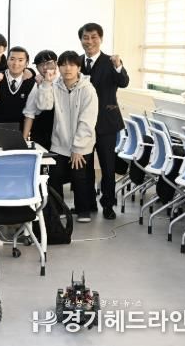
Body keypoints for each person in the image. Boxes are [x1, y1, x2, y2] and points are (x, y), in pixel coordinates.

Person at [37, 51, 98, 223]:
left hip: (82, 143)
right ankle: (59, 209)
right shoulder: (55, 86)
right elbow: (44, 105)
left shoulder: (88, 89)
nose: (67, 68)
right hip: (59, 141)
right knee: (55, 176)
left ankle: (83, 210)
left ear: (79, 67)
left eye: (71, 64)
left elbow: (87, 121)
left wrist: (78, 148)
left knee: (79, 176)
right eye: (63, 65)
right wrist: (46, 83)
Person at [78, 22, 130, 220]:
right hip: (83, 123)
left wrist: (118, 66)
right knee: (85, 167)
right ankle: (88, 203)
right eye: (85, 37)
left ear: (101, 39)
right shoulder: (76, 62)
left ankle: (108, 205)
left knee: (108, 167)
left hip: (106, 123)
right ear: (81, 40)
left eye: (94, 37)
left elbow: (123, 82)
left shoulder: (111, 61)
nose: (89, 41)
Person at [0, 46, 36, 128]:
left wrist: (24, 136)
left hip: (17, 128)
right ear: (7, 61)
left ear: (26, 63)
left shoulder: (31, 82)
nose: (15, 63)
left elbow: (30, 113)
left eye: (20, 60)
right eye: (12, 59)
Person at [22, 50, 58, 150]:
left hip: (61, 131)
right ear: (37, 68)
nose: (45, 67)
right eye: (41, 65)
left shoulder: (63, 81)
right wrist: (24, 139)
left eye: (48, 63)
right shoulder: (35, 84)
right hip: (41, 130)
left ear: (56, 63)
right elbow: (30, 113)